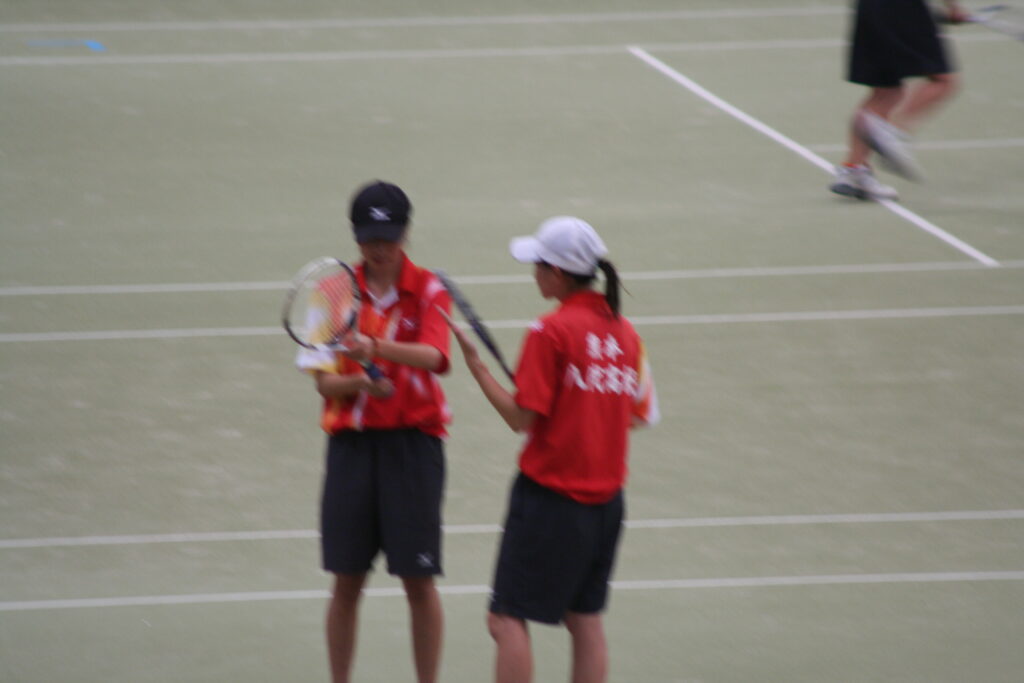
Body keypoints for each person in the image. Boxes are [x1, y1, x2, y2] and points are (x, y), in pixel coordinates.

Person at [442, 216, 659, 683]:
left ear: (557, 273)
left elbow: (520, 418)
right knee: (585, 619)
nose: (534, 273)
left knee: (505, 618)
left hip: (550, 502)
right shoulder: (627, 334)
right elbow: (639, 414)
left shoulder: (549, 331)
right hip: (607, 506)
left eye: (538, 265)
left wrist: (478, 367)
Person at [295, 180, 452, 683]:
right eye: (369, 239)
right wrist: (361, 382)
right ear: (356, 236)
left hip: (414, 447)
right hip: (352, 449)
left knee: (419, 582)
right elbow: (324, 383)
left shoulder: (430, 289)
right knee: (346, 583)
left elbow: (435, 357)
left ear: (405, 233)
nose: (379, 249)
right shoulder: (332, 293)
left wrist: (376, 348)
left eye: (388, 238)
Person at [830, 0, 967, 201]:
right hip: (903, 7)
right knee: (943, 81)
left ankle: (854, 170)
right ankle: (893, 132)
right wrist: (954, 8)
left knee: (886, 91)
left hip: (869, 7)